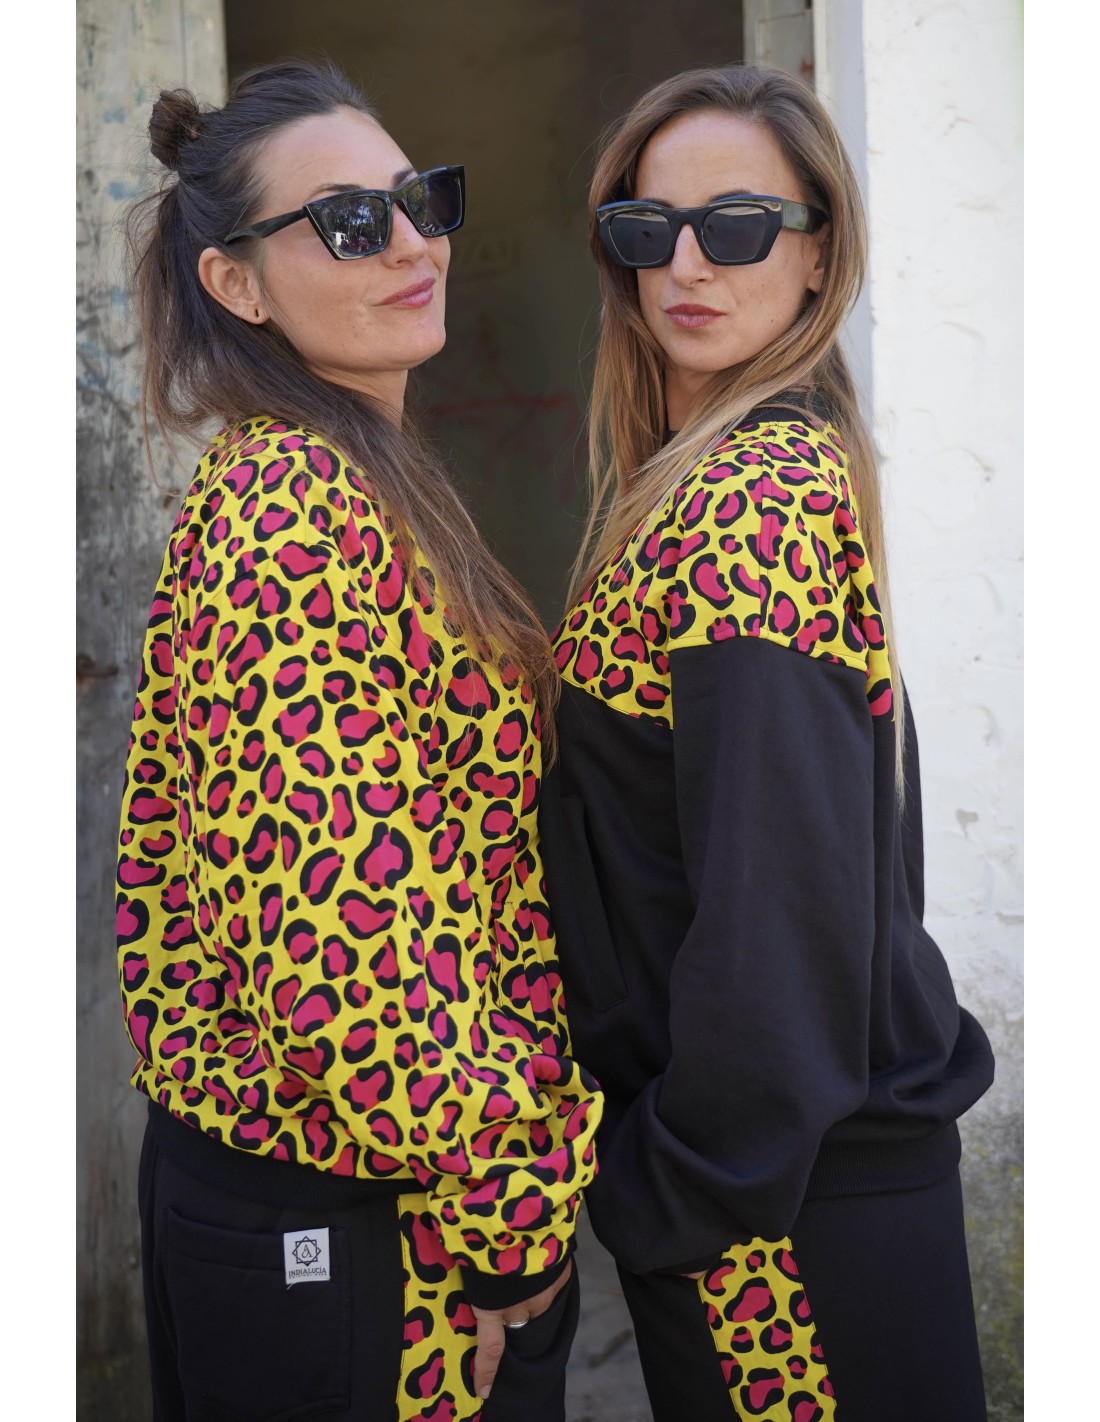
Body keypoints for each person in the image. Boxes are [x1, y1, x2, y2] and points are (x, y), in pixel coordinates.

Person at [116, 59, 601, 1422]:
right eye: (346, 220)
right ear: (237, 284)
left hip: (395, 1182)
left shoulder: (357, 477)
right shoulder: (286, 516)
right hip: (354, 1213)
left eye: (419, 199)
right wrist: (511, 1225)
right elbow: (341, 946)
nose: (412, 243)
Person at [539, 63, 995, 1422]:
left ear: (817, 251)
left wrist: (666, 1196)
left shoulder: (755, 501)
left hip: (775, 1217)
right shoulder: (709, 480)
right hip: (782, 1192)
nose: (685, 265)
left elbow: (776, 919)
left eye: (736, 225)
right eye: (646, 228)